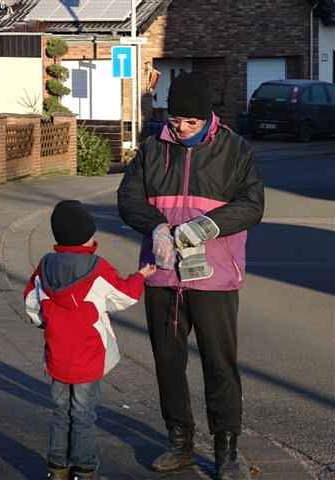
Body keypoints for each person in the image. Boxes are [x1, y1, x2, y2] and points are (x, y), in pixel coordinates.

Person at [117, 72, 264, 479]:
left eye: (190, 123)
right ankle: (179, 442)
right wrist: (156, 227)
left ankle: (227, 449)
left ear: (207, 118)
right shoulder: (151, 149)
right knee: (167, 362)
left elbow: (252, 204)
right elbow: (128, 198)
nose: (180, 129)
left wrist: (208, 225)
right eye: (175, 120)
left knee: (219, 365)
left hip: (214, 278)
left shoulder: (235, 150)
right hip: (163, 274)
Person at [23, 200, 155, 480]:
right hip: (89, 357)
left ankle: (57, 467)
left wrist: (45, 322)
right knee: (83, 413)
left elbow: (31, 304)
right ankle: (84, 468)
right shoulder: (97, 268)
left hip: (56, 355)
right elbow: (124, 296)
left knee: (60, 411)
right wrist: (140, 276)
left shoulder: (45, 266)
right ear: (86, 235)